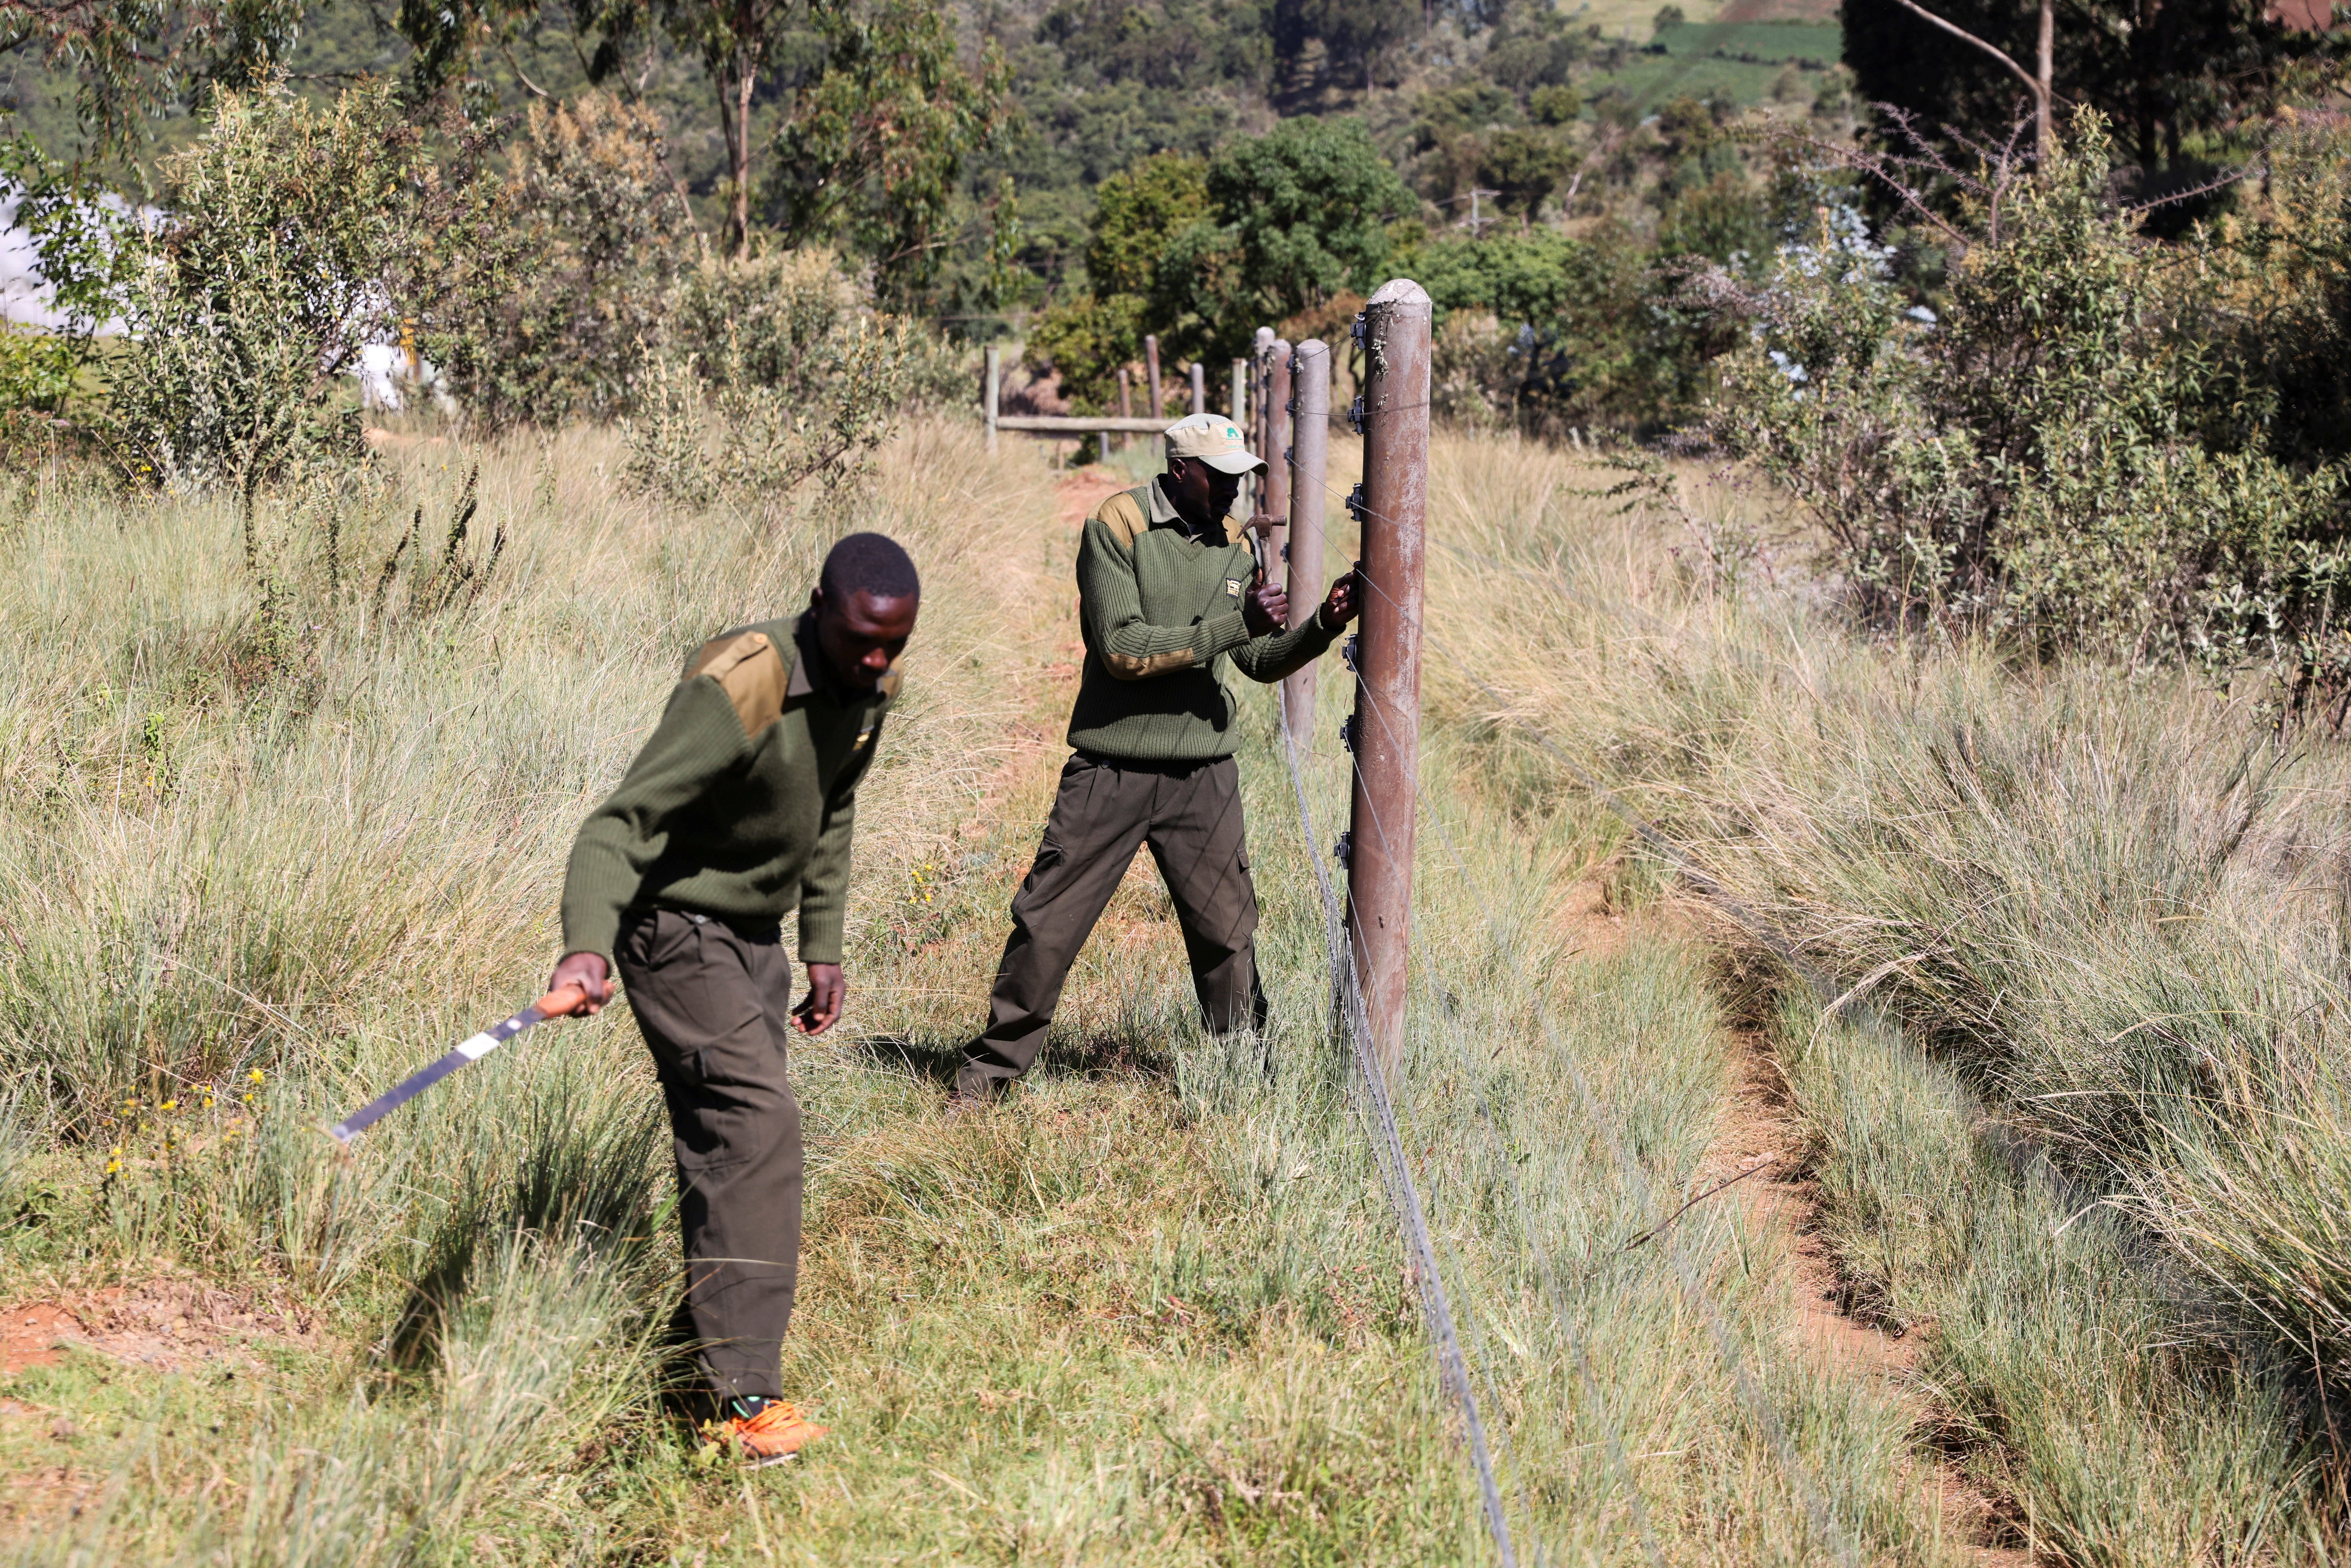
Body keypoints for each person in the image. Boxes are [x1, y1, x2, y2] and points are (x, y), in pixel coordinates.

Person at [545, 532, 919, 1464]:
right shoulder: (740, 684)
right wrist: (584, 946)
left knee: (726, 1145)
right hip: (672, 928)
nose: (875, 660)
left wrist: (821, 944)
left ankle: (691, 1356)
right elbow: (617, 824)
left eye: (893, 644)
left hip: (752, 939)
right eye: (859, 639)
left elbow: (831, 811)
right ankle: (745, 1395)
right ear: (817, 607)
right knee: (758, 1127)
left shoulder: (872, 689)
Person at [952, 412, 1359, 1102]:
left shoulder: (1234, 541)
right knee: (1047, 924)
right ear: (1180, 472)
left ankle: (1245, 1081)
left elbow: (1256, 660)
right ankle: (986, 1078)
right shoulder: (1117, 526)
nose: (1235, 491)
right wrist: (1236, 623)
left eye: (1242, 476)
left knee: (1228, 935)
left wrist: (1323, 622)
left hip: (1203, 774)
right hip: (1112, 767)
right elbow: (1124, 648)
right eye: (1222, 477)